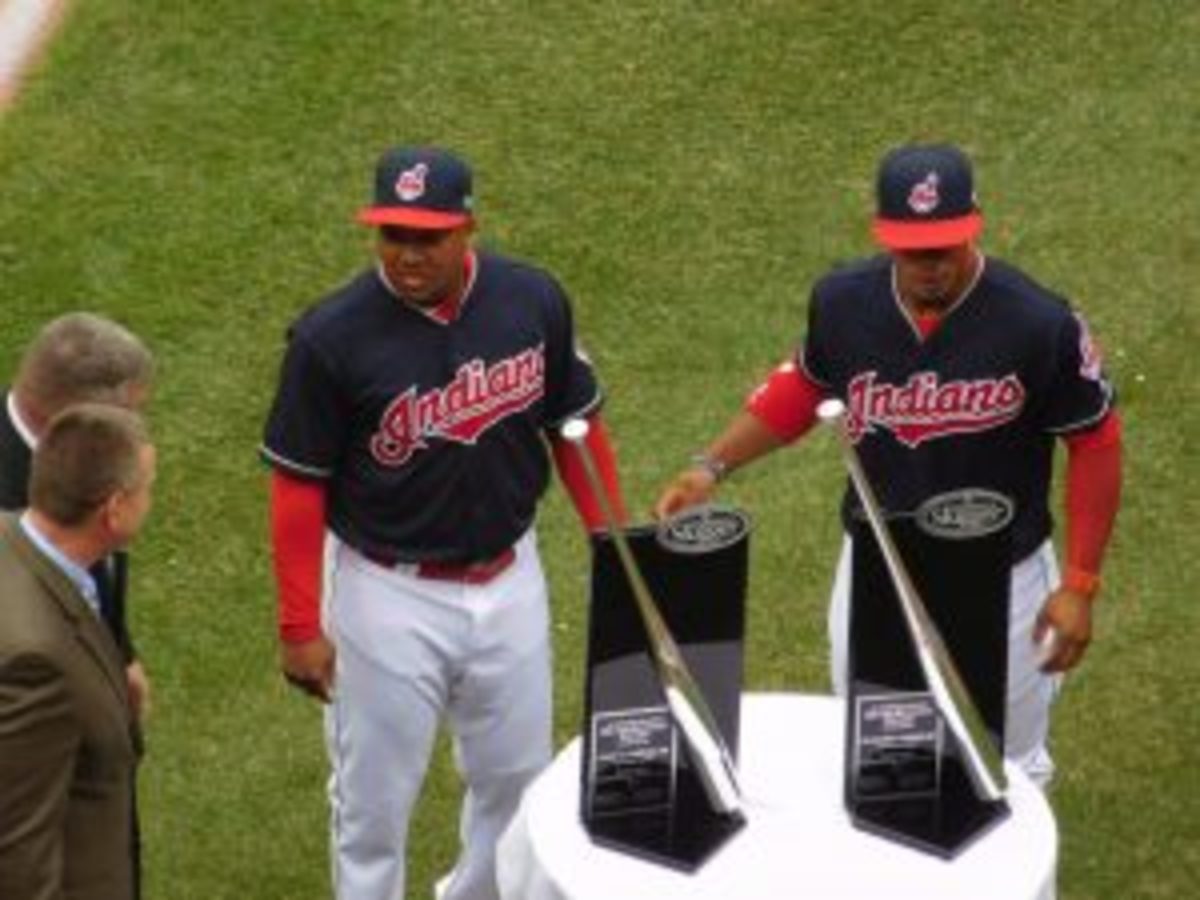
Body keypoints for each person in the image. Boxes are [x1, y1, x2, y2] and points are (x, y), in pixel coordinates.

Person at [655, 143, 1122, 787]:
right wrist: (710, 466)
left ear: (975, 224)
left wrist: (1079, 584)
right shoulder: (844, 303)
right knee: (873, 751)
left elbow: (1095, 442)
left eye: (945, 248)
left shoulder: (1039, 322)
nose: (930, 266)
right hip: (879, 566)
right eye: (913, 250)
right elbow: (806, 386)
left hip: (1005, 579)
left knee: (1008, 767)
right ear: (883, 234)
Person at [261, 145, 626, 900]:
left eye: (427, 236)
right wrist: (300, 622)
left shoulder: (531, 301)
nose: (409, 254)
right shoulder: (331, 339)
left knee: (517, 785)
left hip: (511, 576)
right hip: (385, 595)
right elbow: (298, 485)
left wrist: (614, 545)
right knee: (372, 808)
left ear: (467, 228)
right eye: (394, 235)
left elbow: (575, 430)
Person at [0, 403, 157, 900]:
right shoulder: (37, 661)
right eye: (146, 489)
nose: (150, 500)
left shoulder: (12, 537)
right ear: (113, 509)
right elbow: (20, 849)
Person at [1, 312, 155, 719]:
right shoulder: (11, 504)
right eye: (132, 413)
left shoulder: (71, 458)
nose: (138, 427)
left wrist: (119, 652)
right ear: (81, 414)